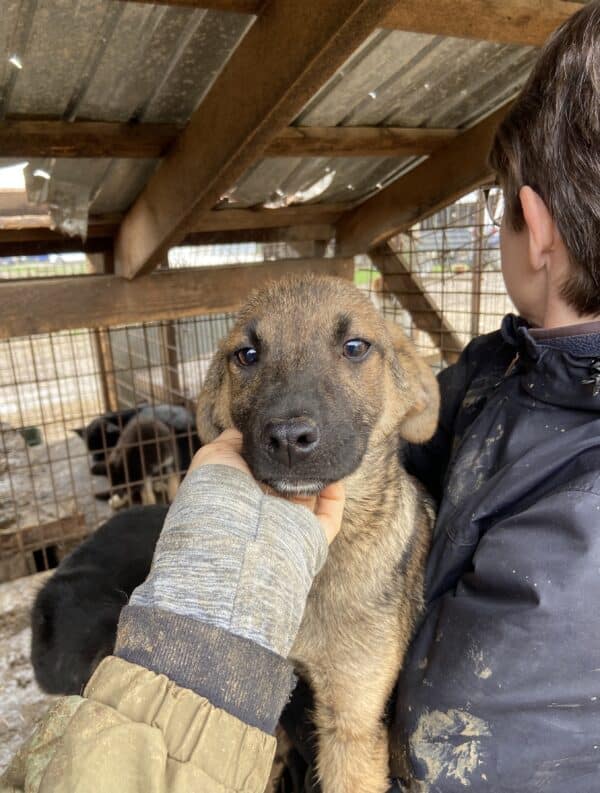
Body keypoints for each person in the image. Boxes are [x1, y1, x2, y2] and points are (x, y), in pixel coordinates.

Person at [3, 2, 600, 791]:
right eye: (249, 356)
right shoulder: (504, 365)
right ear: (218, 395)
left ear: (536, 225)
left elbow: (430, 744)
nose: (291, 419)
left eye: (354, 350)